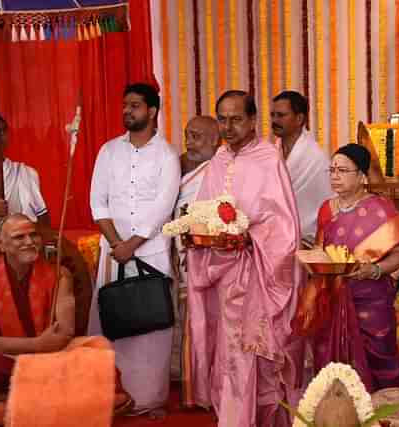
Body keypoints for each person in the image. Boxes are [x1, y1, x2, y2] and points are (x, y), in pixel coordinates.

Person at [186, 90, 302, 427]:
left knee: (251, 350)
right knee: (228, 348)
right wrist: (196, 231)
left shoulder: (268, 158)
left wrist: (247, 236)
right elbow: (204, 210)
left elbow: (284, 226)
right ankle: (232, 416)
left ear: (252, 120)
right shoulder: (219, 158)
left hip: (256, 273)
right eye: (222, 119)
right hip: (222, 272)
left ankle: (250, 418)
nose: (228, 126)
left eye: (236, 119)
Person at [0, 214, 130, 416]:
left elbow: (65, 333)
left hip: (52, 358)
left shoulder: (60, 275)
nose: (29, 242)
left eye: (34, 235)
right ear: (1, 244)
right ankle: (61, 392)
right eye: (19, 237)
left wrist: (44, 348)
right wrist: (38, 344)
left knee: (101, 361)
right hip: (11, 360)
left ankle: (2, 395)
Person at [88, 83, 180, 417]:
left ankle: (150, 398)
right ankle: (112, 395)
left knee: (151, 324)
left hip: (151, 251)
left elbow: (162, 206)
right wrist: (117, 245)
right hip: (113, 253)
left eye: (135, 105)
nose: (128, 111)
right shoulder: (108, 151)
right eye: (125, 105)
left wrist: (133, 244)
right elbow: (98, 202)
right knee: (113, 320)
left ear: (152, 111)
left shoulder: (166, 155)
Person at [292, 144, 399, 392]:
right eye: (332, 170)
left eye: (343, 170)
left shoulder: (380, 208)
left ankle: (379, 414)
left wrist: (374, 270)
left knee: (376, 360)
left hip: (370, 301)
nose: (335, 176)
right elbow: (321, 250)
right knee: (329, 363)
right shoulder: (327, 208)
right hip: (331, 298)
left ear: (362, 176)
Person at [172, 115, 220, 406]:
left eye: (198, 136)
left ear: (216, 140)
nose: (190, 142)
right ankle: (194, 388)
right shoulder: (179, 168)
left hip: (216, 261)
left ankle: (214, 388)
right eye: (188, 135)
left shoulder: (223, 170)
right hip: (184, 254)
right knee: (189, 320)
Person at [271, 91, 332, 243]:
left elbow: (328, 200)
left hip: (308, 238)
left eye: (281, 115)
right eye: (273, 115)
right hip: (275, 236)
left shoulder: (315, 157)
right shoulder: (271, 152)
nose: (275, 120)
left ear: (299, 119)